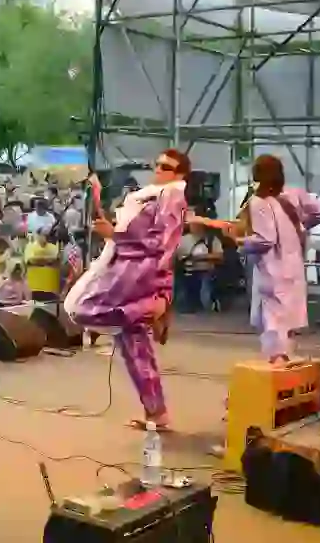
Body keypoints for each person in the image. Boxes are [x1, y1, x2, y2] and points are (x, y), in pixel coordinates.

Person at [64, 149, 191, 431]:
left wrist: (115, 235)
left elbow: (162, 244)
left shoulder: (171, 196)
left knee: (79, 308)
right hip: (133, 272)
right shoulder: (156, 194)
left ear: (180, 173)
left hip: (136, 276)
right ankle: (156, 413)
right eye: (157, 164)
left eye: (166, 166)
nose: (159, 169)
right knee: (136, 352)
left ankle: (151, 308)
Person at [230, 155, 320, 362]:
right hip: (294, 268)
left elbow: (265, 240)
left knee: (272, 326)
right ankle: (286, 366)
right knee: (288, 324)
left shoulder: (258, 201)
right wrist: (302, 226)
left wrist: (239, 242)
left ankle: (276, 371)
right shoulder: (294, 194)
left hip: (271, 270)